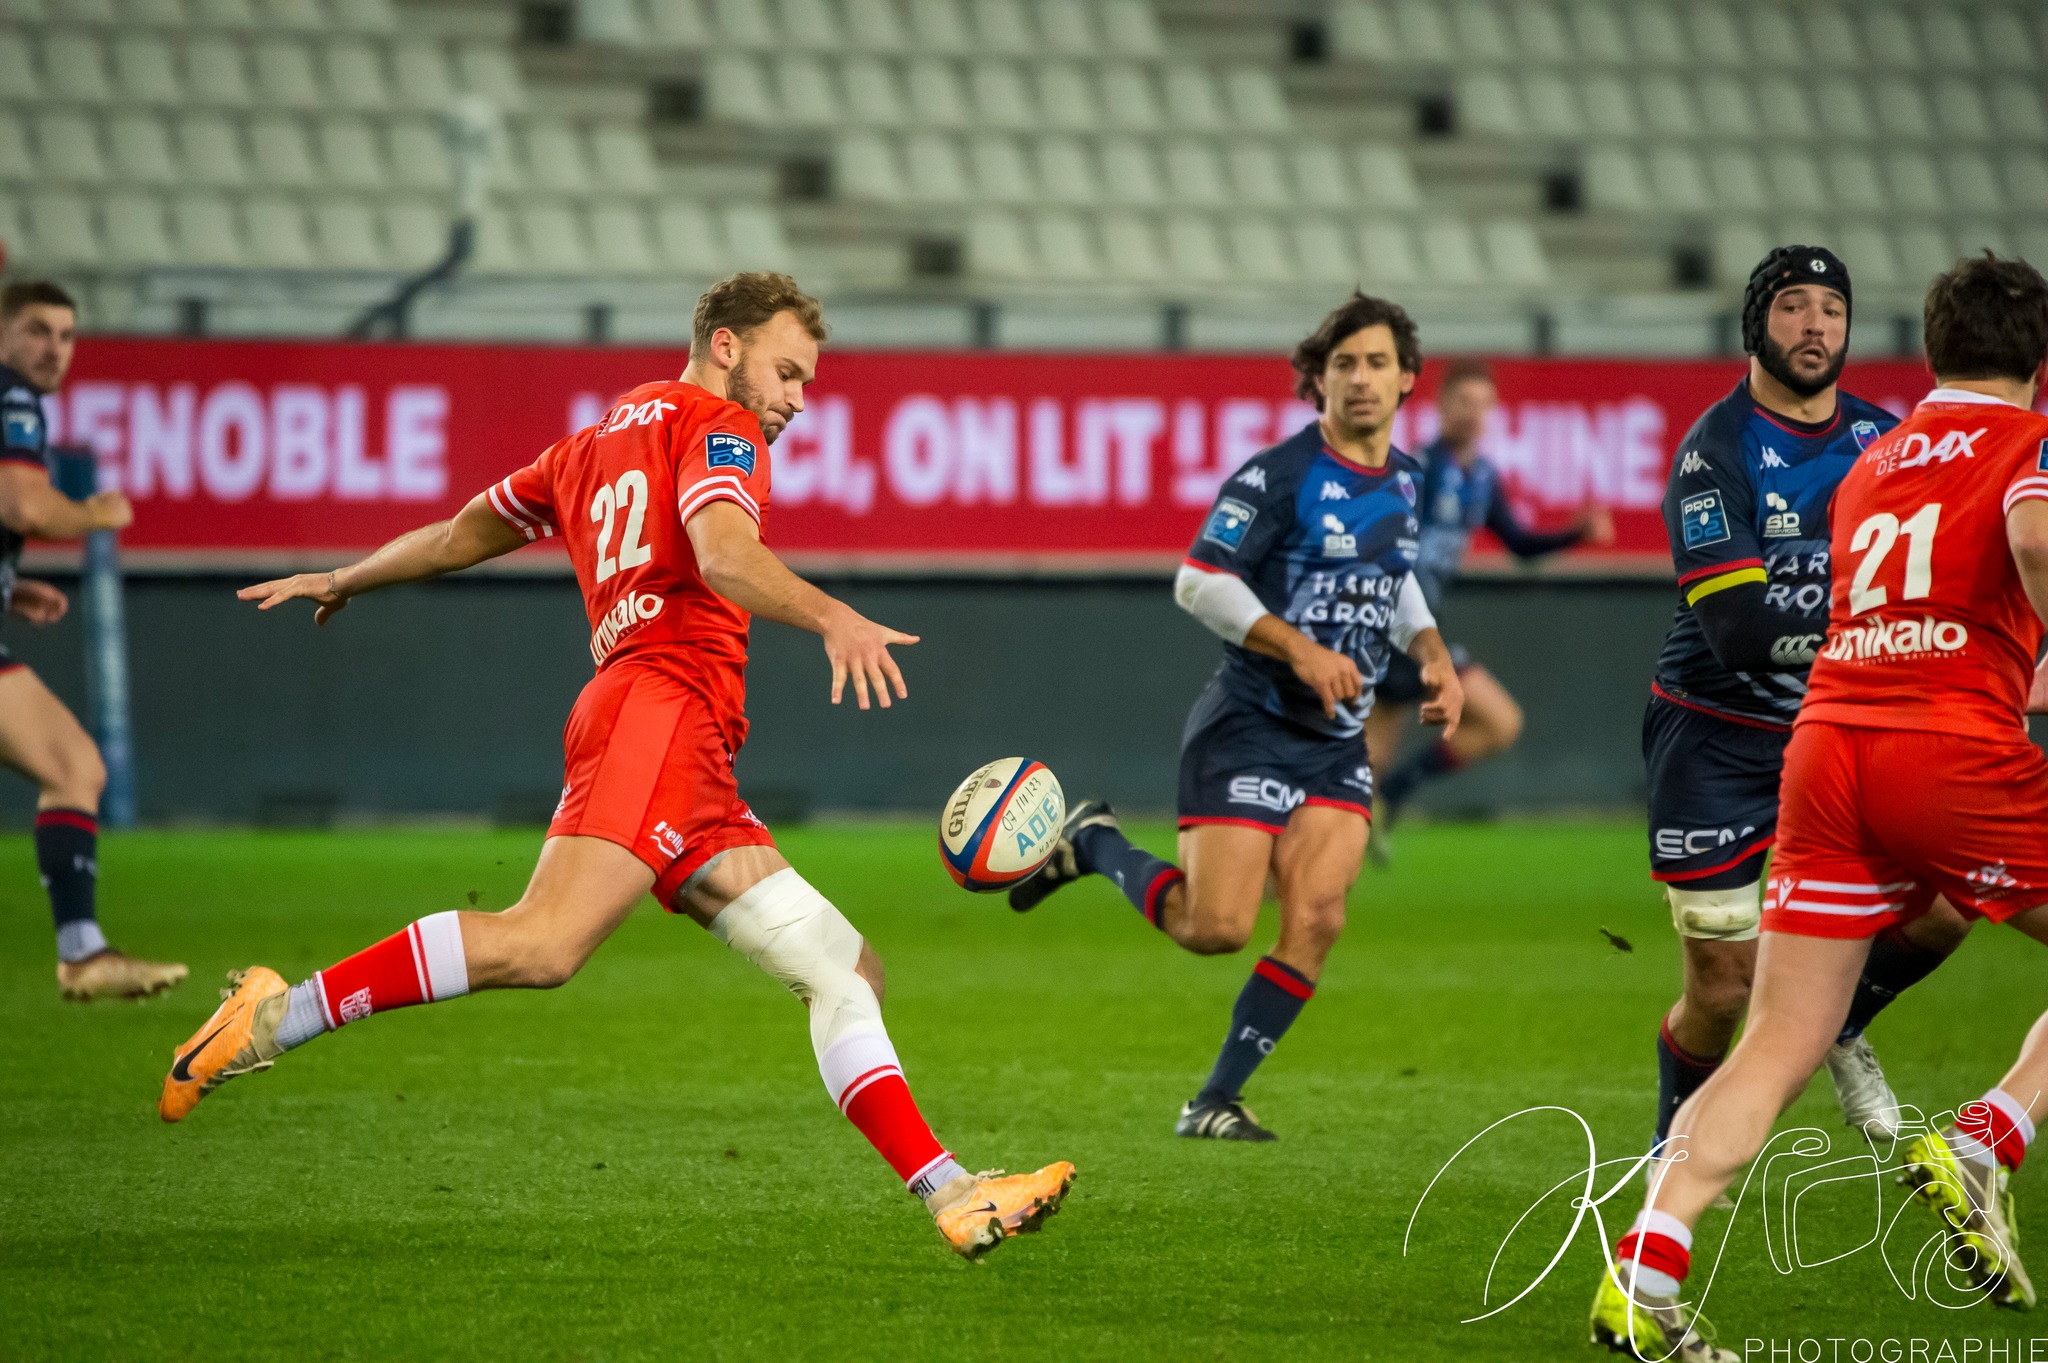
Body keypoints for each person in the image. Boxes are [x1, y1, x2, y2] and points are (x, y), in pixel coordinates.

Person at [156, 273, 1074, 1261]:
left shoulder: (589, 444)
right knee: (542, 944)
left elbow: (462, 532)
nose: (796, 399)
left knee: (845, 968)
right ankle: (277, 1013)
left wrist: (346, 575)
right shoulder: (718, 429)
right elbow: (722, 556)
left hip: (685, 748)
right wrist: (833, 616)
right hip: (658, 711)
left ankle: (951, 1191)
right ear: (725, 347)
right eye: (786, 371)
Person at [1590, 254, 2048, 1361]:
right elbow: (2028, 539)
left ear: (1926, 347)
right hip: (1940, 750)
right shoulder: (2025, 445)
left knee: (1774, 1039)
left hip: (1825, 749)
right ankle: (1988, 1137)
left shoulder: (1877, 455)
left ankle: (1642, 1265)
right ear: (2036, 360)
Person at [1009, 292, 1464, 1141]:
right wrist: (1299, 648)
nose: (1359, 380)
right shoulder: (1279, 476)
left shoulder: (1406, 478)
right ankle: (1094, 843)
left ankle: (1215, 1097)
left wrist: (1431, 649)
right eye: (1342, 365)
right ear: (1317, 382)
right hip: (1250, 722)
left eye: (1375, 363)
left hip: (1334, 744)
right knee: (1214, 927)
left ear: (1407, 379)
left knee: (1320, 916)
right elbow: (1199, 580)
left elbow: (1394, 576)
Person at [1637, 246, 1967, 1161]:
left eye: (1832, 307)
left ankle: (1832, 1026)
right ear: (1757, 323)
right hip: (1716, 734)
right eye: (1793, 306)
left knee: (1943, 909)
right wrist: (1878, 625)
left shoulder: (1887, 442)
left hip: (1838, 725)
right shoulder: (1716, 451)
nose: (1816, 324)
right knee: (1723, 986)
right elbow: (1740, 632)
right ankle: (1674, 1151)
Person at [0, 280, 184, 1002]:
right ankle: (81, 954)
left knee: (75, 764)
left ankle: (84, 953)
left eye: (67, 334)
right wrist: (94, 511)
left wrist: (12, 592)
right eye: (38, 330)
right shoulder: (12, 395)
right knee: (76, 765)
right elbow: (21, 502)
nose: (54, 349)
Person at [1366, 358, 1614, 845]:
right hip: (1395, 633)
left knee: (1370, 774)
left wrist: (1574, 535)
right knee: (1493, 724)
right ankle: (1296, 861)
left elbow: (1518, 544)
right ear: (1440, 406)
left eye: (1482, 404)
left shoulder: (1481, 476)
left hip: (1416, 637)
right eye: (1463, 402)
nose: (1472, 414)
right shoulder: (1417, 469)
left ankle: (1389, 793)